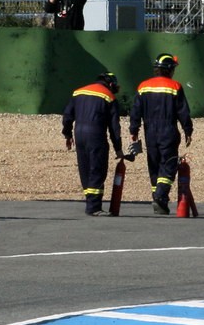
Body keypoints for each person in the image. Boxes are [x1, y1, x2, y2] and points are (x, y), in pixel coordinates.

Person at [129, 53, 194, 215]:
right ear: (169, 69)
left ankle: (160, 200)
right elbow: (183, 112)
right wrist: (188, 130)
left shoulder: (143, 86)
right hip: (168, 131)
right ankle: (160, 195)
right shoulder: (175, 87)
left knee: (154, 165)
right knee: (169, 163)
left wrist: (134, 130)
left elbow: (135, 111)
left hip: (149, 131)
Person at [62, 72, 124, 216]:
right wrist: (118, 149)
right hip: (96, 135)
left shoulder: (78, 92)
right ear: (110, 84)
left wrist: (67, 134)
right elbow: (114, 127)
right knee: (97, 168)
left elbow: (67, 116)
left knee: (85, 168)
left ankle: (90, 203)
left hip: (79, 135)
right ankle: (94, 207)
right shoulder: (109, 96)